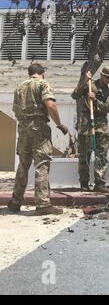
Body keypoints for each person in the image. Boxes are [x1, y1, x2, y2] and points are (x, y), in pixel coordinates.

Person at [7, 63, 69, 215]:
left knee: (23, 165)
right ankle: (43, 204)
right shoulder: (43, 84)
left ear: (30, 73)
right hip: (39, 128)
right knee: (41, 164)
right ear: (43, 73)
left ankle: (15, 202)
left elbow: (15, 109)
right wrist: (60, 124)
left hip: (22, 129)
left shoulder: (19, 87)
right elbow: (50, 104)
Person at [71, 66, 109, 192]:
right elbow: (75, 95)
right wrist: (85, 81)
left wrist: (94, 99)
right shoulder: (89, 85)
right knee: (84, 155)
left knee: (101, 156)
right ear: (101, 75)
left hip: (101, 125)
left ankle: (99, 184)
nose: (108, 80)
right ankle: (84, 183)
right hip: (86, 125)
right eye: (107, 77)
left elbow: (107, 108)